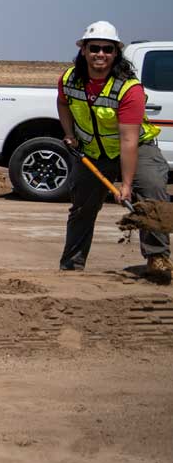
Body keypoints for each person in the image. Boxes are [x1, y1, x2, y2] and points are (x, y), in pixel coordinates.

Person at [57, 21, 169, 282]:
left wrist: (127, 185)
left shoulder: (129, 89)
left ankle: (158, 258)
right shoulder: (68, 79)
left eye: (107, 49)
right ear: (83, 50)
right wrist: (70, 134)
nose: (100, 54)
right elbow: (63, 103)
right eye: (94, 48)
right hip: (93, 152)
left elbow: (128, 140)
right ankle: (71, 265)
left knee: (151, 194)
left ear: (116, 53)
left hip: (136, 149)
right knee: (82, 207)